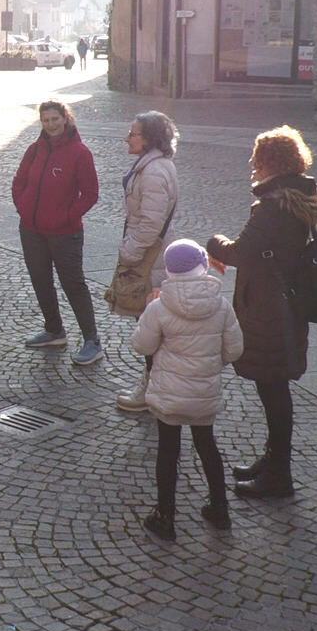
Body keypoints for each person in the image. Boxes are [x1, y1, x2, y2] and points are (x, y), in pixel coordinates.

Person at [206, 126, 317, 499]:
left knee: (274, 390)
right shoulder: (294, 197)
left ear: (271, 163)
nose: (252, 164)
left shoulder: (274, 207)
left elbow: (239, 252)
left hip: (270, 308)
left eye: (257, 158)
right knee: (274, 389)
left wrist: (213, 242)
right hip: (283, 304)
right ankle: (273, 461)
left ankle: (279, 475)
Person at [133, 239, 242, 542]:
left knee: (168, 451)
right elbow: (234, 350)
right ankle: (220, 509)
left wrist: (146, 315)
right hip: (204, 393)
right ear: (203, 266)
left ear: (168, 271)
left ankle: (165, 517)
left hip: (169, 393)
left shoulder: (159, 306)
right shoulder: (221, 305)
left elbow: (142, 345)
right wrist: (210, 362)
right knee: (207, 446)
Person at [11, 100, 103, 364]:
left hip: (65, 233)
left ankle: (92, 341)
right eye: (46, 120)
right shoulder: (34, 150)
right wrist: (23, 208)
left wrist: (65, 216)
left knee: (73, 285)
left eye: (55, 119)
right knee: (40, 280)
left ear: (65, 119)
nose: (51, 125)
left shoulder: (79, 153)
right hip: (31, 229)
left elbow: (90, 194)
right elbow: (19, 181)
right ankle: (54, 330)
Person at [111, 111, 179, 411]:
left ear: (149, 139)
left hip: (151, 259)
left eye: (133, 133)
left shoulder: (153, 172)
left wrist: (130, 251)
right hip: (154, 255)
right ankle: (154, 386)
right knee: (153, 324)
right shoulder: (154, 165)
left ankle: (151, 390)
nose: (128, 137)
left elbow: (151, 223)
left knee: (151, 327)